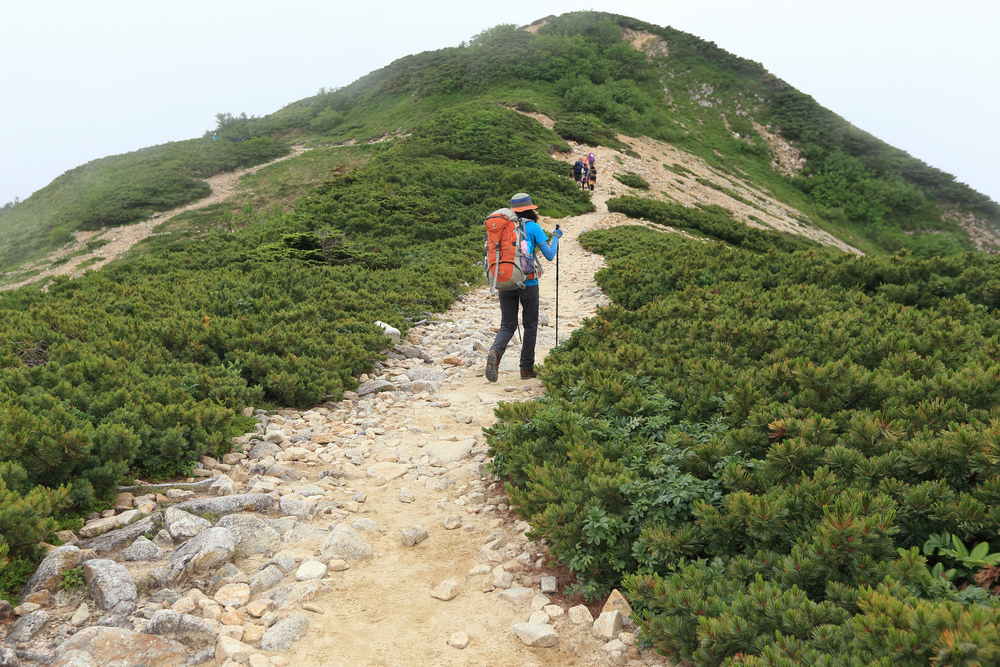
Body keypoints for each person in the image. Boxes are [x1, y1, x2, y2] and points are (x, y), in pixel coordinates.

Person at [486, 193, 562, 382]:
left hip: (506, 281)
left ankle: (495, 353)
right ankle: (526, 368)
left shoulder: (504, 228)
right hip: (528, 283)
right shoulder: (534, 227)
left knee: (507, 325)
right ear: (530, 209)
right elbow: (550, 255)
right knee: (530, 325)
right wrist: (557, 237)